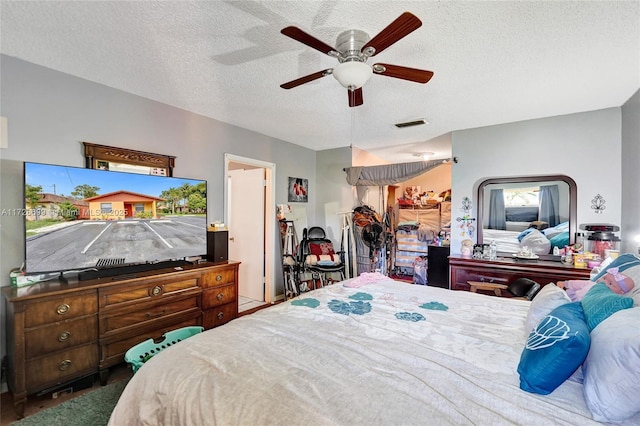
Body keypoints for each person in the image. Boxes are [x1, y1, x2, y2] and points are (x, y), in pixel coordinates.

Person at [557, 267, 635, 301]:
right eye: (604, 278)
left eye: (610, 284)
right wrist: (565, 283)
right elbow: (578, 284)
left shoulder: (610, 297)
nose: (604, 282)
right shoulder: (592, 284)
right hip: (574, 298)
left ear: (621, 292)